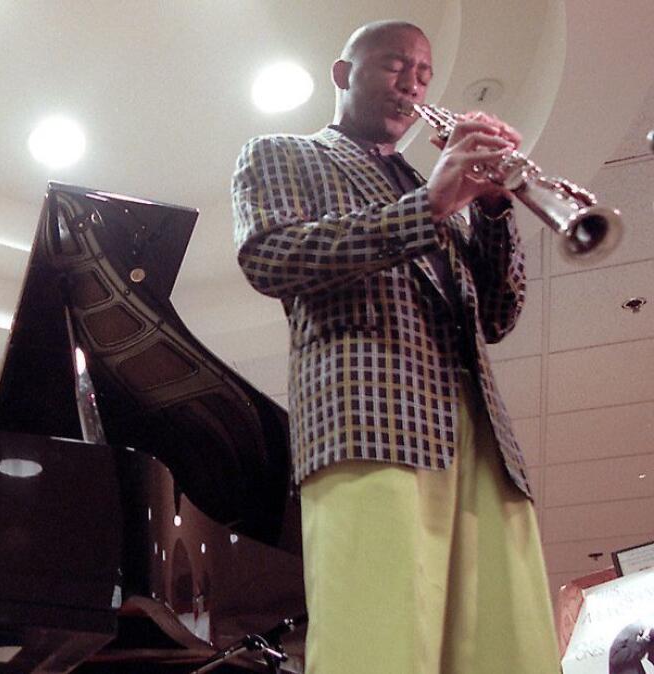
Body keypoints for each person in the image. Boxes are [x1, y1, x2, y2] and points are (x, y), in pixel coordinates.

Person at [232, 20, 560, 674]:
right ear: (342, 74)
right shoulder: (280, 151)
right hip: (370, 424)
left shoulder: (434, 186)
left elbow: (497, 315)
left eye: (423, 73)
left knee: (508, 649)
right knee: (377, 643)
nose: (411, 84)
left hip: (482, 439)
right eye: (393, 66)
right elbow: (273, 258)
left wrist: (493, 209)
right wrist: (431, 205)